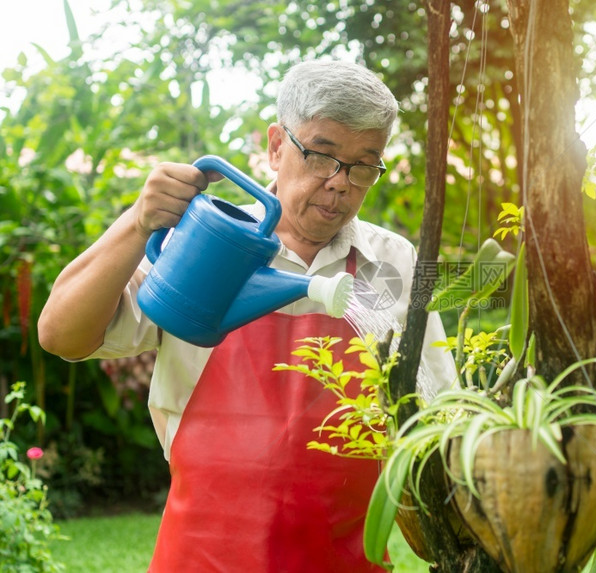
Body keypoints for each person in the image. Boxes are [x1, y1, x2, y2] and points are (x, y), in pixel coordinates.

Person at [38, 59, 456, 572]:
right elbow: (61, 334)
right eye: (322, 156)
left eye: (363, 165)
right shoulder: (206, 245)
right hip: (202, 557)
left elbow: (440, 418)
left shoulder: (393, 263)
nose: (341, 183)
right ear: (277, 147)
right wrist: (137, 222)